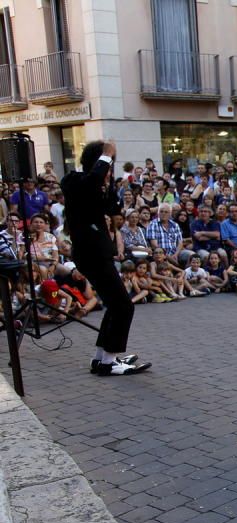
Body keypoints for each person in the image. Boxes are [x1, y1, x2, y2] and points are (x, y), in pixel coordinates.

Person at [61, 141, 149, 376]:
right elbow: (91, 181)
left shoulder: (98, 185)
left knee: (115, 305)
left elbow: (113, 209)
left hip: (98, 252)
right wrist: (107, 155)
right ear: (97, 161)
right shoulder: (74, 180)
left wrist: (109, 185)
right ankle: (110, 362)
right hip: (91, 253)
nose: (109, 169)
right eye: (108, 163)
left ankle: (102, 357)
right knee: (123, 306)